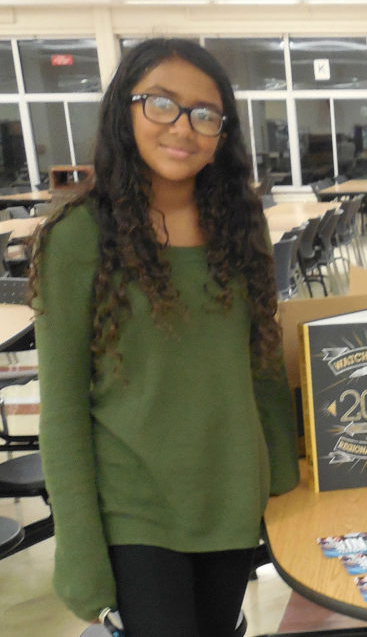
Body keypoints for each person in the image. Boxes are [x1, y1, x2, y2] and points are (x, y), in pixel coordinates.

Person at [32, 38, 300, 635]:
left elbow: (261, 363)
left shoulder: (240, 223)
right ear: (123, 112)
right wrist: (77, 550)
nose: (184, 127)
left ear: (221, 135)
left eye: (205, 114)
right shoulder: (78, 238)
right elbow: (65, 410)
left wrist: (285, 481)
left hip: (230, 494)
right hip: (136, 508)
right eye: (161, 103)